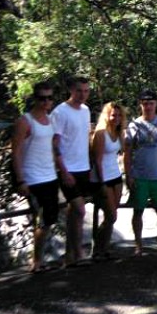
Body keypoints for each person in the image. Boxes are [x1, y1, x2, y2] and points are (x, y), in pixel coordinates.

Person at [12, 82, 60, 273]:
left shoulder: (50, 120)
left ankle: (40, 259)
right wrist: (20, 179)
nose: (46, 101)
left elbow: (53, 146)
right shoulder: (25, 121)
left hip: (50, 175)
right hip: (32, 178)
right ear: (35, 98)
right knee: (43, 220)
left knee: (50, 218)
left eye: (49, 98)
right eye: (42, 98)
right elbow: (15, 152)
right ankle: (36, 261)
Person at [123, 89, 157, 256]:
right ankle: (138, 246)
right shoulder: (134, 125)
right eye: (145, 103)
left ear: (156, 104)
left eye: (151, 103)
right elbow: (127, 152)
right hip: (139, 176)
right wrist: (128, 175)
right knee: (138, 211)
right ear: (141, 105)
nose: (148, 106)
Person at [50, 76, 92, 266]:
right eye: (79, 91)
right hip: (68, 169)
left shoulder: (86, 110)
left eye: (86, 91)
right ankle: (80, 254)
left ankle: (69, 257)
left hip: (83, 167)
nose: (82, 95)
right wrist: (63, 170)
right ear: (71, 90)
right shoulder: (60, 112)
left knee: (73, 213)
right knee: (80, 210)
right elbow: (54, 144)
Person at [90, 101, 125, 260]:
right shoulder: (101, 133)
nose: (116, 118)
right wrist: (102, 183)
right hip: (101, 178)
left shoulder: (118, 133)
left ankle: (104, 249)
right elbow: (97, 160)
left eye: (119, 115)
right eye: (113, 115)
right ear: (107, 115)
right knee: (111, 216)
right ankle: (97, 249)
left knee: (112, 215)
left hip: (116, 176)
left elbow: (122, 152)